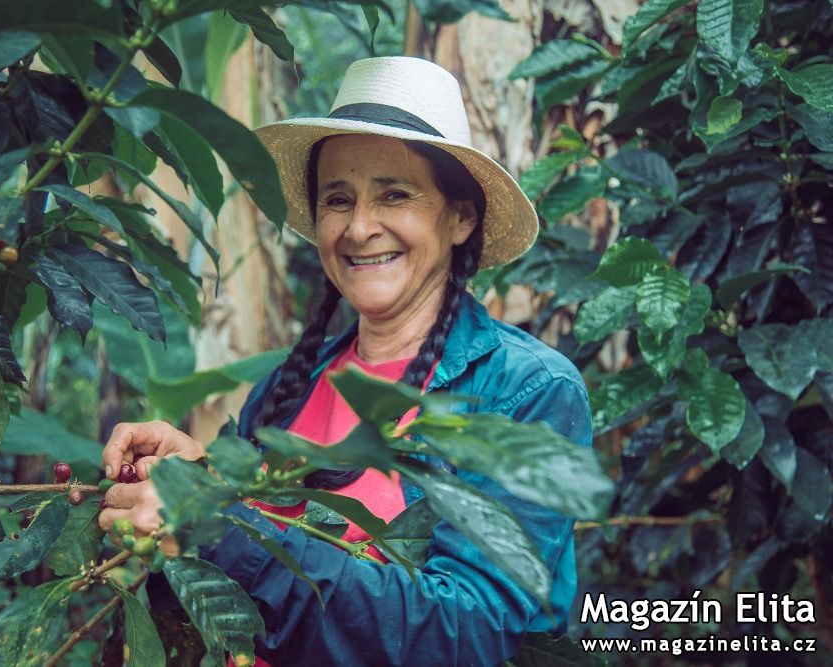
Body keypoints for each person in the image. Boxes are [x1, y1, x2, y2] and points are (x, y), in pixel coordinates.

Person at [98, 56, 593, 665]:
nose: (359, 228)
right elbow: (253, 563)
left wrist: (215, 525)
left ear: (461, 216)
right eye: (338, 199)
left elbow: (465, 635)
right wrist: (195, 481)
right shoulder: (289, 386)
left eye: (395, 194)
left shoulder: (527, 391)